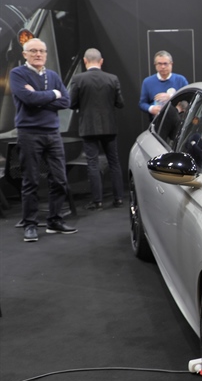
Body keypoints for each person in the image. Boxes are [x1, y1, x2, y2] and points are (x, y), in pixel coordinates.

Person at [10, 38, 77, 242]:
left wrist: (41, 97)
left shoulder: (53, 76)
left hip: (53, 133)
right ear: (25, 55)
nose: (38, 54)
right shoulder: (17, 74)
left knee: (59, 179)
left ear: (46, 54)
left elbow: (65, 101)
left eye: (41, 51)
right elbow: (28, 99)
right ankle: (30, 224)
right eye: (33, 51)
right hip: (29, 133)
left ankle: (54, 220)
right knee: (31, 180)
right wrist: (53, 95)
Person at [68, 48, 125, 210]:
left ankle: (97, 201)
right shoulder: (112, 79)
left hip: (89, 127)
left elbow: (71, 103)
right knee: (114, 163)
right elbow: (120, 103)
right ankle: (119, 199)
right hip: (109, 127)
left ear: (85, 61)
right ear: (101, 61)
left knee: (92, 163)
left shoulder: (78, 79)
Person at [139, 50, 188, 118]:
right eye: (159, 64)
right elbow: (142, 104)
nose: (163, 67)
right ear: (155, 65)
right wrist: (151, 109)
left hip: (178, 120)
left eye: (165, 63)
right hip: (157, 121)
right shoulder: (147, 82)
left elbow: (189, 99)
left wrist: (171, 97)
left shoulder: (181, 80)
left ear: (171, 64)